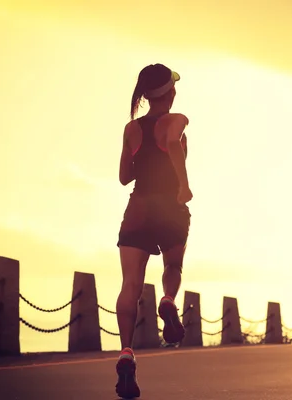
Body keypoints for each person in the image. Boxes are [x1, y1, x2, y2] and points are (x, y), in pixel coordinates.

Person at [114, 63, 193, 399]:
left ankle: (126, 353)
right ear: (171, 93)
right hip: (169, 207)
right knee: (172, 267)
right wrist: (184, 186)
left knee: (130, 284)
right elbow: (173, 144)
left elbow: (123, 176)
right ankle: (168, 301)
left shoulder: (132, 129)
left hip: (138, 207)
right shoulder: (176, 121)